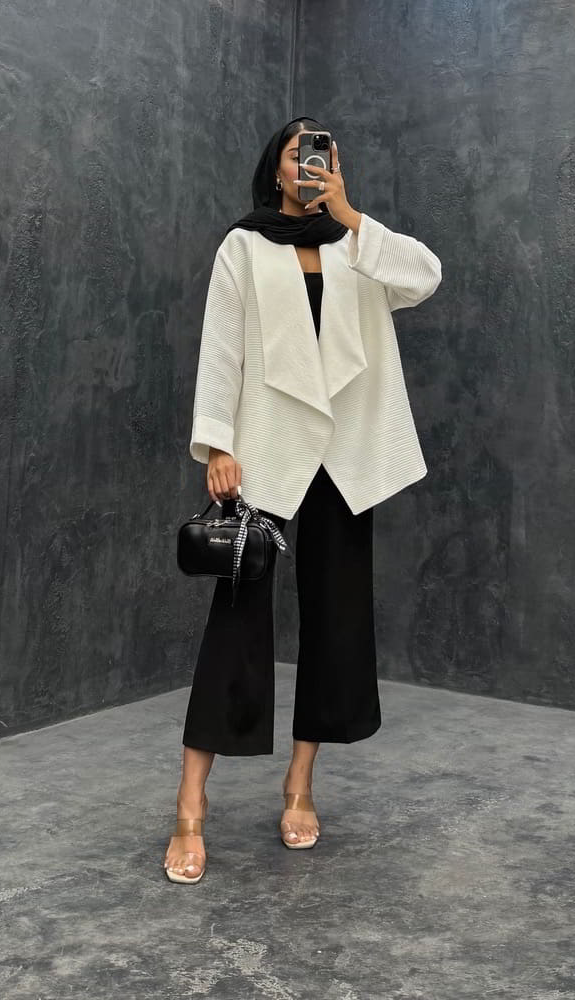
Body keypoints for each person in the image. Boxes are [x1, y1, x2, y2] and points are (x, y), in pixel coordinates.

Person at [165, 115, 443, 883]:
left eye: (324, 152)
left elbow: (424, 276)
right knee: (235, 623)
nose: (311, 162)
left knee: (335, 620)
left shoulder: (359, 244)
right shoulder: (244, 245)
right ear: (276, 167)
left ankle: (299, 785)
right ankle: (190, 805)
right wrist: (218, 442)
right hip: (266, 449)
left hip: (344, 454)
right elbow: (221, 346)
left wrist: (349, 214)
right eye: (298, 151)